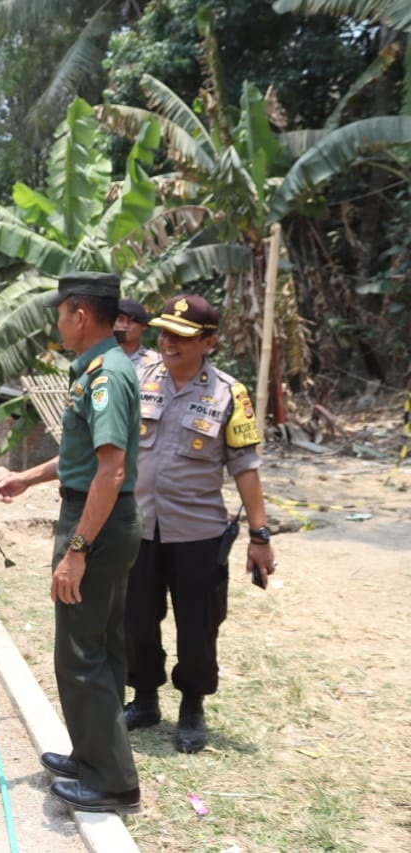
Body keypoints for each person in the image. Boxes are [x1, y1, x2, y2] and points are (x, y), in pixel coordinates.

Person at [0, 271, 142, 813]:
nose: (57, 323)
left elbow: (111, 471)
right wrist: (25, 478)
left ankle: (113, 783)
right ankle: (95, 754)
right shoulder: (100, 370)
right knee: (102, 648)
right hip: (100, 517)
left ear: (79, 313)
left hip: (95, 523)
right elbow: (83, 459)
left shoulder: (106, 376)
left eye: (59, 313)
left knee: (80, 654)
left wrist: (77, 549)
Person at [123, 294, 278, 753]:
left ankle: (192, 707)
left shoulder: (230, 393)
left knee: (198, 625)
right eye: (164, 333)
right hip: (138, 527)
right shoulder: (135, 378)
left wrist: (260, 535)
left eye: (182, 337)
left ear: (209, 342)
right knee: (136, 619)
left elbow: (245, 467)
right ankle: (145, 697)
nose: (168, 343)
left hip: (197, 534)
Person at [115, 298, 157, 366]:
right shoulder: (100, 357)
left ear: (143, 326)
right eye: (120, 320)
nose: (125, 325)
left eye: (132, 321)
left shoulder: (155, 362)